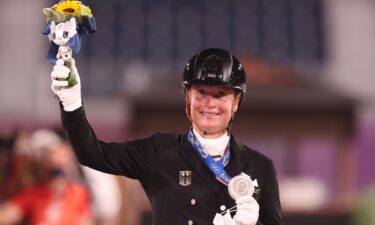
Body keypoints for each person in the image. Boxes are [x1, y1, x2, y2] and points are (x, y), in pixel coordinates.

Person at [50, 48, 283, 225]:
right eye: (201, 92)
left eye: (220, 94)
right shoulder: (159, 151)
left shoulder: (260, 167)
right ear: (188, 98)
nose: (210, 104)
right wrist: (71, 104)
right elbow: (93, 154)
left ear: (235, 103)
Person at [0, 129, 93, 225]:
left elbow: (86, 220)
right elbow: (7, 215)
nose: (56, 161)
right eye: (55, 171)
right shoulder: (35, 193)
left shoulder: (79, 193)